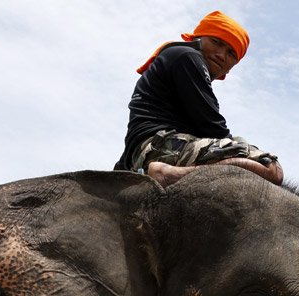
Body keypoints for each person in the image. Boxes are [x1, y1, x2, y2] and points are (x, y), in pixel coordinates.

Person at [116, 11, 283, 186]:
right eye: (216, 42)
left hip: (144, 152)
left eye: (231, 53)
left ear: (231, 67)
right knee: (272, 168)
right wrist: (235, 147)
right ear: (198, 38)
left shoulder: (179, 57)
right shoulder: (188, 57)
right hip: (161, 147)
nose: (221, 54)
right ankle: (170, 175)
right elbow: (212, 127)